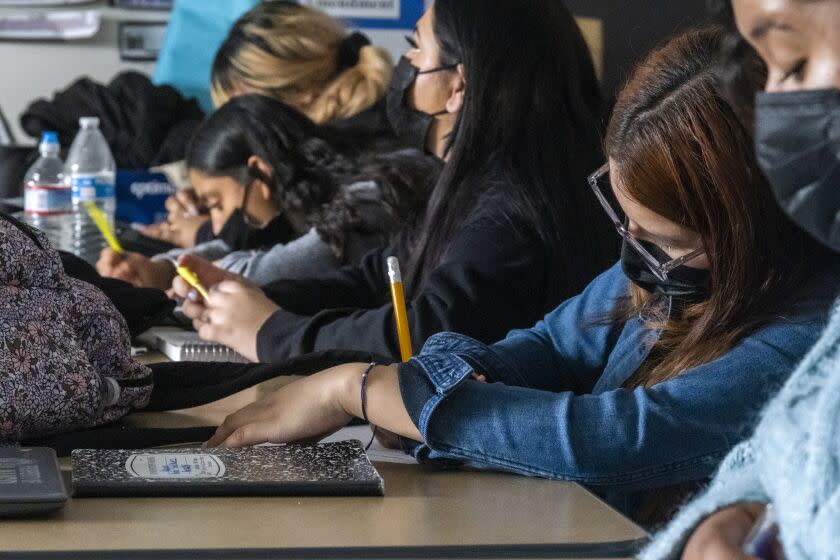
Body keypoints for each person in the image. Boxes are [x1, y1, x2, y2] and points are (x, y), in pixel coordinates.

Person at [196, 27, 840, 527]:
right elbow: (543, 346)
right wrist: (426, 393)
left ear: (752, 232)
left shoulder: (806, 339)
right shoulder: (653, 273)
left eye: (665, 242)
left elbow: (616, 436)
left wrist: (361, 390)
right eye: (628, 225)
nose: (632, 254)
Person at [169, 0, 614, 364]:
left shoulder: (516, 203)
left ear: (459, 85)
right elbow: (384, 274)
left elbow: (428, 333)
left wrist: (272, 333)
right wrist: (257, 298)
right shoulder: (476, 181)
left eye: (416, 48)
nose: (404, 63)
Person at [641, 1, 840, 558]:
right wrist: (728, 515)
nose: (772, 111)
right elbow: (785, 456)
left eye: (793, 64)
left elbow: (634, 431)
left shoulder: (795, 322)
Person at [96, 94, 437, 289]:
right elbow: (247, 246)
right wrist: (157, 270)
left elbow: (267, 268)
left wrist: (174, 272)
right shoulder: (298, 204)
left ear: (259, 171)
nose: (216, 225)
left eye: (216, 204)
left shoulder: (369, 199)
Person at [145, 0, 395, 248]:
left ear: (298, 94)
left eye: (245, 124)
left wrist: (208, 231)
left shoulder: (353, 165)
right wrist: (217, 199)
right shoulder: (367, 128)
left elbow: (299, 249)